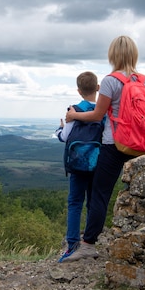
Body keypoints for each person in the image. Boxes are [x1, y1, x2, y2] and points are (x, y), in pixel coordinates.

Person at [60, 35, 145, 262]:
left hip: (114, 145)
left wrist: (73, 115)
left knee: (99, 196)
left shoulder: (111, 81)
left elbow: (97, 114)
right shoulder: (144, 81)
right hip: (140, 145)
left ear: (113, 55)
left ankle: (88, 244)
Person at [54, 71, 103, 263]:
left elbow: (65, 137)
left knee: (75, 202)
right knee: (94, 202)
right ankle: (90, 241)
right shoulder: (103, 110)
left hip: (77, 165)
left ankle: (72, 244)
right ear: (98, 88)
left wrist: (59, 129)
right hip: (98, 164)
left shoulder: (74, 110)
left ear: (78, 90)